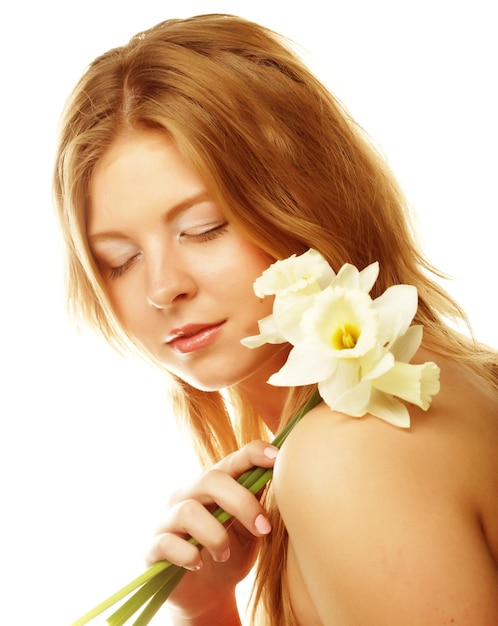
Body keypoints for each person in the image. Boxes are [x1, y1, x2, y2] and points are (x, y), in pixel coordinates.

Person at [53, 13, 498, 626]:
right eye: (119, 261)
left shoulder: (352, 451)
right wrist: (209, 608)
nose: (162, 288)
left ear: (303, 201)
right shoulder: (405, 399)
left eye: (203, 229)